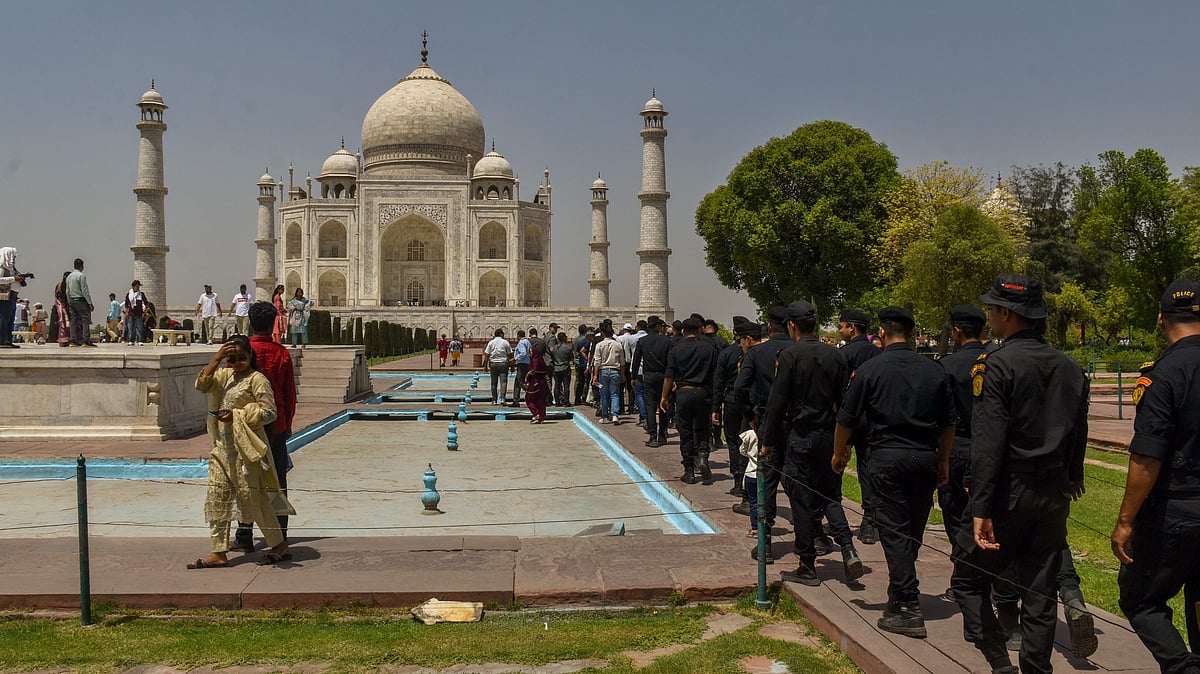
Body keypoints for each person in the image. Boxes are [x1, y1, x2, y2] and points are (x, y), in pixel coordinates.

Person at [949, 274, 1089, 674]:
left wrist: (981, 507)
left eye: (992, 310)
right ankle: (1036, 669)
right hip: (1052, 492)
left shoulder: (998, 364)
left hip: (1007, 490)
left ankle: (999, 662)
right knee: (1040, 592)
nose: (989, 316)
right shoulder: (1069, 366)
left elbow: (988, 441)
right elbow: (1079, 431)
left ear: (1007, 314)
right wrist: (1073, 475)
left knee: (967, 581)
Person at [833, 305, 956, 638]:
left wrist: (839, 452)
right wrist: (943, 459)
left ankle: (907, 605)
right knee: (912, 530)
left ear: (883, 333)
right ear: (914, 334)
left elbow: (845, 419)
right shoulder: (934, 371)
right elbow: (948, 423)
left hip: (886, 457)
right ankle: (900, 590)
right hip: (925, 457)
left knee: (895, 532)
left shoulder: (871, 371)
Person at [1113, 278, 1200, 674]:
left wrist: (1126, 519)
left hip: (1176, 510)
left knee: (1141, 600)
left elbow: (1147, 456)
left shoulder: (1162, 374)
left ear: (1161, 319)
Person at [762, 300, 860, 586]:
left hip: (801, 435)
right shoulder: (836, 355)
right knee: (829, 495)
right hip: (829, 435)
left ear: (792, 325)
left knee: (802, 501)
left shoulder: (790, 355)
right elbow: (844, 403)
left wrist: (768, 441)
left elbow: (777, 402)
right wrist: (845, 442)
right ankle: (847, 546)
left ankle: (807, 565)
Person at [190, 335, 293, 569]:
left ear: (250, 356)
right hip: (222, 449)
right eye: (232, 358)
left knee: (253, 499)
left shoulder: (257, 380)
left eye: (242, 358)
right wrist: (216, 359)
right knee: (217, 498)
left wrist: (237, 415)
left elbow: (269, 412)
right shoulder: (225, 376)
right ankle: (219, 551)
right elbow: (201, 385)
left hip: (246, 451)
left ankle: (278, 544)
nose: (237, 363)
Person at [233, 301, 298, 553]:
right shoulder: (281, 353)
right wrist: (288, 424)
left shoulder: (239, 352)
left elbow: (232, 389)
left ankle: (244, 534)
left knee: (245, 480)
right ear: (274, 323)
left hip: (245, 428)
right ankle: (279, 535)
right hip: (274, 426)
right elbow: (289, 394)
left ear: (249, 321)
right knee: (277, 481)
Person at [734, 306, 795, 561]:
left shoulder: (757, 353)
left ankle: (765, 543)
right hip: (798, 424)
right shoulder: (798, 351)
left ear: (769, 327)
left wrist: (751, 417)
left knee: (767, 484)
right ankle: (813, 541)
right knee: (797, 483)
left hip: (768, 423)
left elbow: (740, 388)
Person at [935, 306, 988, 569]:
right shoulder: (997, 360)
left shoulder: (946, 365)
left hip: (957, 445)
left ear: (956, 332)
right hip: (991, 447)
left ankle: (964, 570)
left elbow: (940, 414)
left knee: (955, 513)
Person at [839, 308, 882, 545]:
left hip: (849, 416)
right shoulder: (877, 354)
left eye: (843, 326)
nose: (841, 330)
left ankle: (834, 515)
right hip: (872, 417)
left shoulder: (845, 353)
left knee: (837, 463)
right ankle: (869, 519)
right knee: (867, 468)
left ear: (852, 327)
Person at [660, 316, 719, 484]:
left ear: (684, 331)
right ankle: (703, 457)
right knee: (702, 429)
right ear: (700, 329)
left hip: (683, 393)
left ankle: (689, 471)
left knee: (685, 432)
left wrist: (664, 397)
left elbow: (669, 376)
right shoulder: (709, 349)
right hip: (703, 393)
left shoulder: (677, 349)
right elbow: (715, 376)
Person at [713, 316, 753, 504]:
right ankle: (747, 480)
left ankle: (738, 479)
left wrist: (715, 407)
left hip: (731, 401)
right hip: (749, 403)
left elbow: (719, 382)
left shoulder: (727, 353)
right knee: (748, 441)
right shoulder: (753, 354)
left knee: (733, 440)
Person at [633, 316, 672, 447]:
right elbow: (671, 361)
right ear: (657, 326)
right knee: (663, 404)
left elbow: (636, 361)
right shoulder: (666, 340)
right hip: (664, 376)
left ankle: (652, 436)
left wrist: (633, 377)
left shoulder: (642, 341)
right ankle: (662, 434)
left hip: (648, 376)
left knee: (650, 406)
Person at [592, 323, 626, 424]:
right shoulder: (618, 344)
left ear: (602, 333)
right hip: (615, 371)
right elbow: (622, 362)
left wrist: (595, 375)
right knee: (615, 394)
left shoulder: (599, 345)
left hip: (603, 372)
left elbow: (597, 362)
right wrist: (623, 375)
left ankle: (605, 416)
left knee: (604, 395)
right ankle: (615, 415)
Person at [65, 258, 94, 347]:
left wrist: (69, 302)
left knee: (73, 320)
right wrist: (90, 303)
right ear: (82, 266)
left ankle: (72, 340)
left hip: (72, 300)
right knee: (85, 319)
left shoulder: (69, 276)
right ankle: (85, 340)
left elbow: (67, 291)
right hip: (80, 300)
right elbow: (84, 290)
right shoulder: (81, 276)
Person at [484, 328, 513, 405]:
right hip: (503, 363)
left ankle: (494, 400)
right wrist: (512, 365)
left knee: (494, 382)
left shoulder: (491, 342)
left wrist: (485, 366)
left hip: (493, 363)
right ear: (500, 334)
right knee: (503, 382)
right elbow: (510, 354)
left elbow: (487, 355)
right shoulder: (505, 342)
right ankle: (503, 399)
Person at [524, 341, 550, 423]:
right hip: (542, 383)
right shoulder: (541, 359)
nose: (530, 353)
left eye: (531, 352)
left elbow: (534, 370)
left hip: (535, 383)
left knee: (529, 399)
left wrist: (527, 375)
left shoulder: (535, 359)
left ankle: (536, 414)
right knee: (540, 400)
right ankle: (541, 417)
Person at [551, 331, 574, 406]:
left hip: (557, 368)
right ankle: (566, 401)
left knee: (557, 385)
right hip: (565, 368)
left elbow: (553, 357)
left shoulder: (554, 348)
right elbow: (571, 358)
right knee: (566, 386)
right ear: (564, 338)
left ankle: (557, 402)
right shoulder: (568, 348)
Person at [511, 329, 532, 406]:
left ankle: (531, 392)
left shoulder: (521, 343)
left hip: (522, 364)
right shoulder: (527, 342)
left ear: (518, 336)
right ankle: (516, 400)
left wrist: (515, 359)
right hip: (527, 363)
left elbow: (523, 353)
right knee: (518, 382)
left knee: (519, 382)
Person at [573, 324, 592, 406]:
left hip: (580, 363)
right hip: (586, 364)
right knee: (586, 382)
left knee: (579, 382)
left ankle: (577, 398)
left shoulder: (578, 341)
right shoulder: (588, 342)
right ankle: (584, 398)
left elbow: (577, 352)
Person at [124, 280, 148, 345]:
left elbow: (146, 302)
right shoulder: (129, 294)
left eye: (138, 286)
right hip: (131, 313)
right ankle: (131, 340)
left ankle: (140, 340)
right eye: (137, 286)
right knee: (131, 327)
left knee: (139, 327)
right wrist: (126, 311)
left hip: (139, 313)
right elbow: (126, 303)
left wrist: (146, 309)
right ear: (133, 287)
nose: (138, 288)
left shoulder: (141, 294)